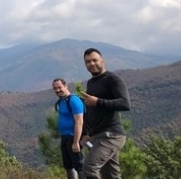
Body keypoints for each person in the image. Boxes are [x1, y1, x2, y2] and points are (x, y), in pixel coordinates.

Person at [79, 48, 131, 179]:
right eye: (88, 62)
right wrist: (86, 133)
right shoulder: (91, 83)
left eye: (94, 60)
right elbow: (91, 110)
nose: (91, 64)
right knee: (111, 175)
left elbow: (125, 103)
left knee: (89, 168)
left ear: (102, 61)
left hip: (111, 135)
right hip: (97, 135)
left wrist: (98, 102)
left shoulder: (113, 80)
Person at [53, 78, 85, 179]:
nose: (57, 90)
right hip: (65, 137)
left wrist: (76, 142)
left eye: (59, 87)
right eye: (55, 88)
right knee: (68, 165)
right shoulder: (62, 101)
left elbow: (79, 122)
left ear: (66, 86)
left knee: (79, 166)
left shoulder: (74, 100)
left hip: (73, 137)